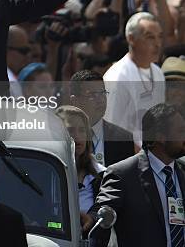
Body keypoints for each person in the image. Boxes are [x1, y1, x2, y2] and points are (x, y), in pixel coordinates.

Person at [88, 103, 185, 247]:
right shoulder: (122, 174)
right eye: (181, 131)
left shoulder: (182, 171)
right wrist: (94, 217)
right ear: (160, 137)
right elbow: (102, 215)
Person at [103, 12, 165, 147]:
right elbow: (111, 131)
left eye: (159, 37)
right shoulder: (117, 78)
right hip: (128, 158)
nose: (158, 44)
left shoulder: (158, 72)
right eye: (150, 37)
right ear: (131, 39)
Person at [69, 70, 135, 167]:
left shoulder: (123, 139)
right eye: (92, 95)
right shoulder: (62, 137)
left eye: (102, 93)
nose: (100, 100)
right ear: (75, 101)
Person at [55, 106, 105, 215]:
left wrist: (91, 218)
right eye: (70, 130)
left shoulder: (103, 175)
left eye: (82, 130)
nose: (77, 136)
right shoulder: (47, 172)